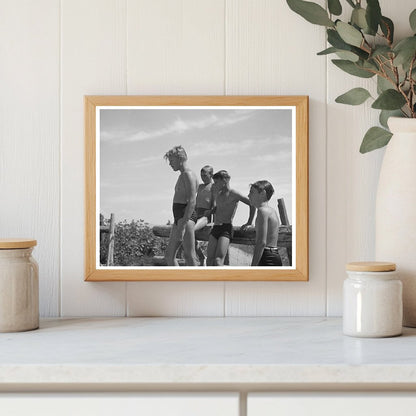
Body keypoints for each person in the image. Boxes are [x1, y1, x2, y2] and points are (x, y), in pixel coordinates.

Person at [207, 170, 255, 266]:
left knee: (218, 260)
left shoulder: (234, 193)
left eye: (216, 182)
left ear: (224, 180)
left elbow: (252, 204)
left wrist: (249, 222)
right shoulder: (218, 194)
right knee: (209, 260)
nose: (214, 185)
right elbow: (220, 207)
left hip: (226, 228)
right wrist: (211, 211)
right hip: (215, 227)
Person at [163, 145, 198, 266]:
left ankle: (198, 283)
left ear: (180, 158)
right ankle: (179, 281)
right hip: (179, 218)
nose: (170, 164)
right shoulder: (182, 175)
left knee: (190, 255)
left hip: (186, 217)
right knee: (169, 256)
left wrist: (183, 223)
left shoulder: (188, 174)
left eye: (171, 160)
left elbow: (192, 201)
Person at [248, 180, 282, 266]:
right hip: (274, 255)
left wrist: (253, 266)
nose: (248, 195)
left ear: (262, 193)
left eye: (252, 192)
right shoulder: (271, 211)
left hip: (266, 257)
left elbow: (261, 242)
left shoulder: (262, 211)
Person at [193, 165, 215, 265]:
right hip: (195, 214)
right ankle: (201, 257)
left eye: (205, 175)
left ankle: (203, 258)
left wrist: (213, 220)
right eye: (201, 175)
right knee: (186, 233)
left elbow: (214, 206)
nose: (202, 177)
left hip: (205, 217)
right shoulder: (200, 187)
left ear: (211, 175)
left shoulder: (214, 187)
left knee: (190, 231)